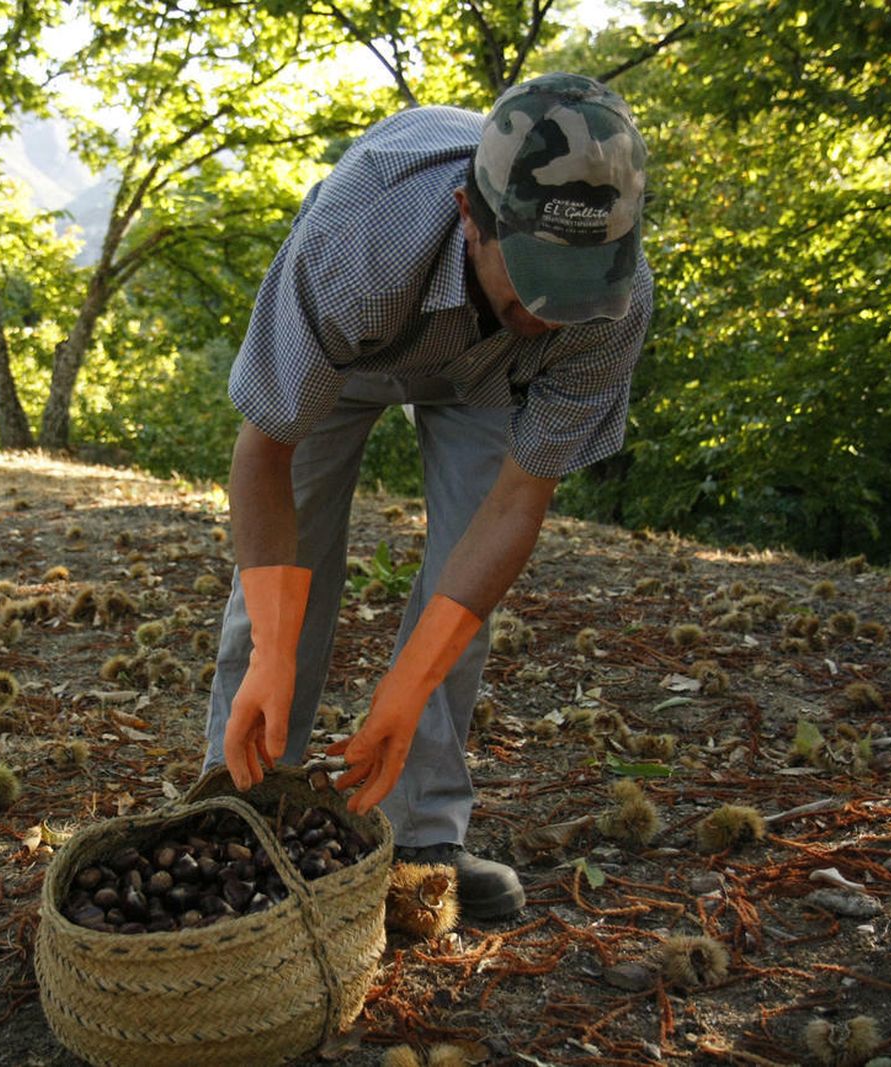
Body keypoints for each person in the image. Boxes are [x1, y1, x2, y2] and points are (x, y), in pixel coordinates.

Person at [201, 72, 653, 920]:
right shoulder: (356, 243)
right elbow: (266, 451)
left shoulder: (611, 305)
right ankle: (240, 811)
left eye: (579, 281)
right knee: (282, 592)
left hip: (488, 378)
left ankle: (421, 834)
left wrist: (405, 685)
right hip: (353, 349)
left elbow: (517, 500)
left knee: (456, 604)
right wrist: (273, 648)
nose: (556, 310)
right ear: (469, 216)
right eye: (533, 272)